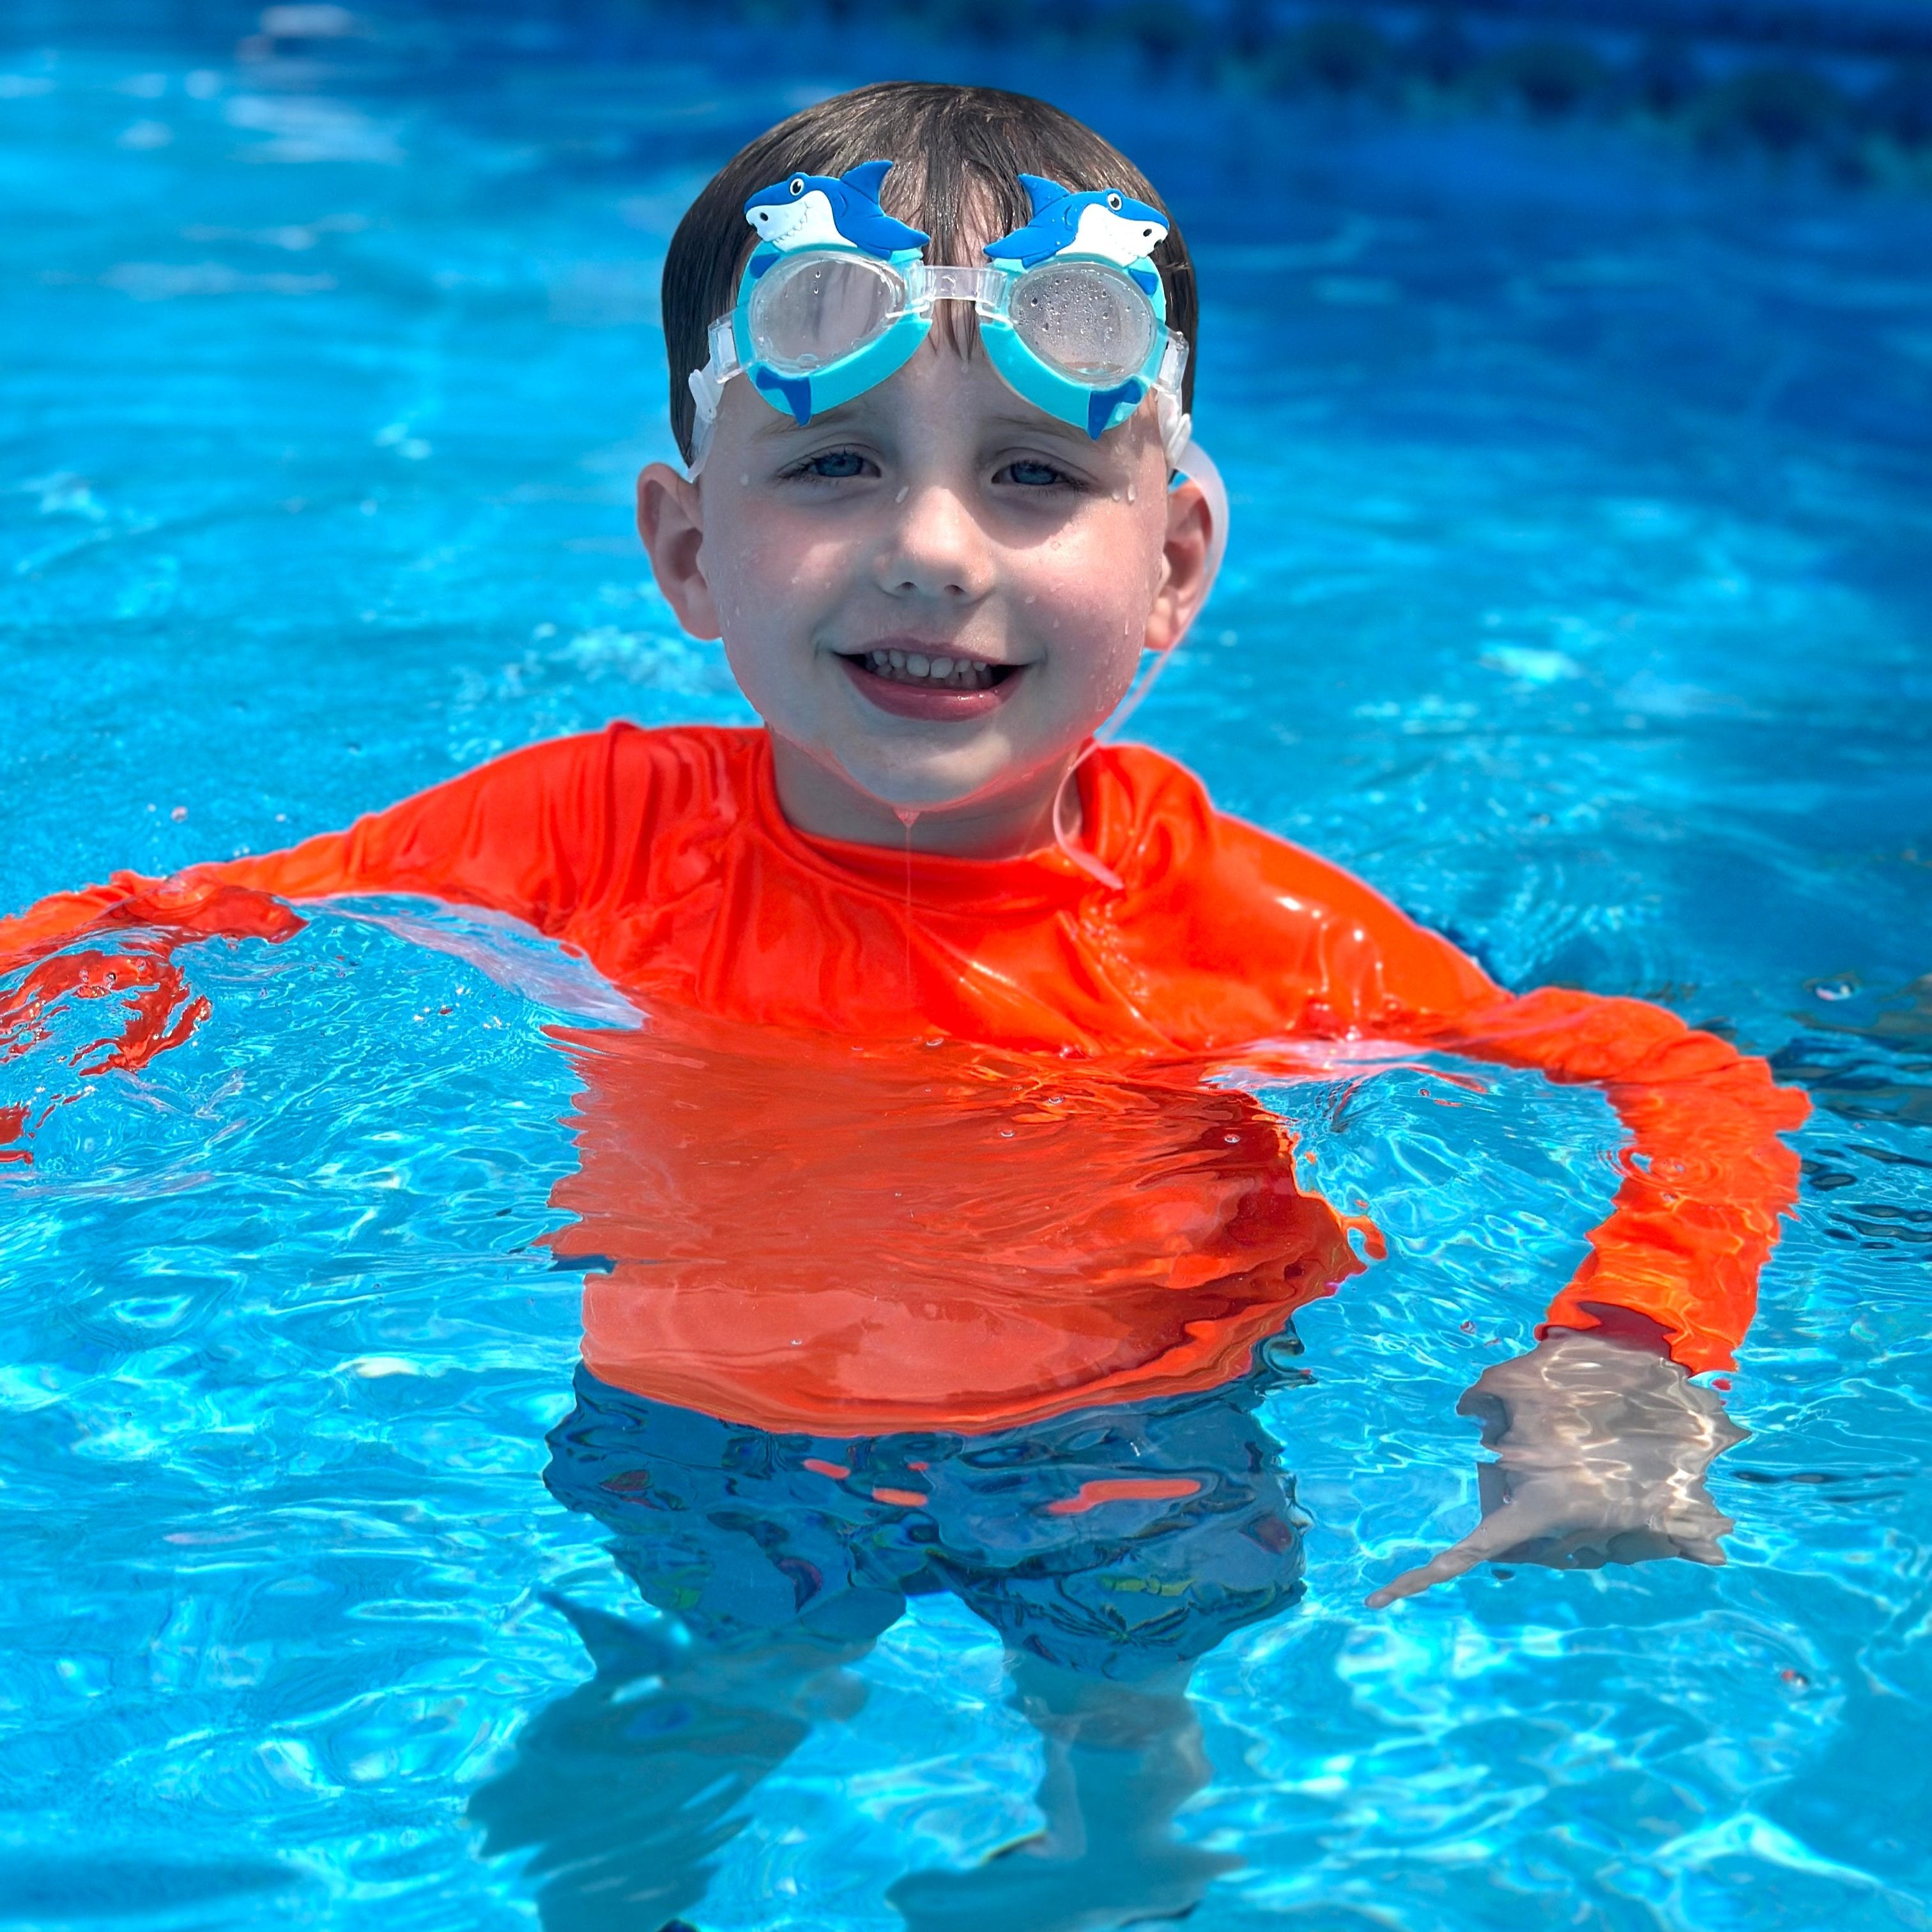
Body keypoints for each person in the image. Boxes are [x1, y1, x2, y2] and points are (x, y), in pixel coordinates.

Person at [1, 82, 1805, 1611]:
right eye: (835, 467)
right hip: (697, 1423)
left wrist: (1624, 1362)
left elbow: (1697, 1087)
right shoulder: (587, 832)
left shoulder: (1241, 934)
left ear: (1173, 563)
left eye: (1033, 474)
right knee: (675, 1730)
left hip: (1134, 1434)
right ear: (692, 549)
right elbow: (166, 917)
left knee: (1120, 1752)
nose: (935, 548)